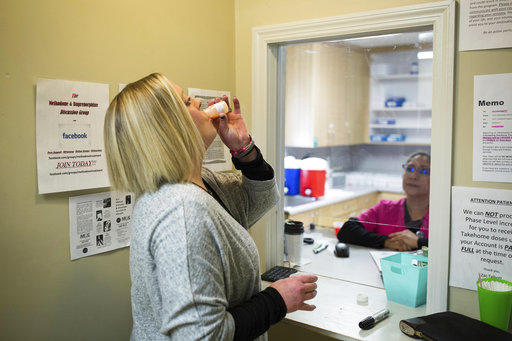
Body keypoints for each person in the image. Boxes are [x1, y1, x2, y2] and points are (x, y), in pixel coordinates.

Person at [103, 73, 318, 340]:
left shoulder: (200, 182)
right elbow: (202, 336)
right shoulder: (181, 211)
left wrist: (244, 149)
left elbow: (260, 200)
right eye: (185, 102)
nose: (197, 101)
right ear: (167, 129)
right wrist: (278, 300)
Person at [337, 152, 430, 251]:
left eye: (423, 171)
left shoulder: (443, 218)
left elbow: (446, 247)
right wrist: (386, 241)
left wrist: (418, 242)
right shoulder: (385, 209)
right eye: (410, 169)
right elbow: (347, 230)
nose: (413, 176)